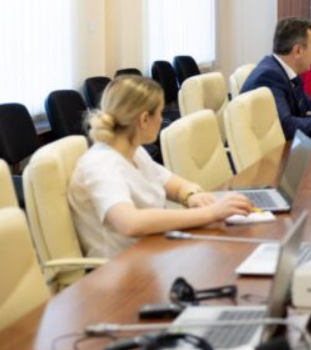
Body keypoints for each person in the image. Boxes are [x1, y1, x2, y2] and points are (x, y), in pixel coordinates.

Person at [68, 76, 253, 258]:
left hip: (154, 250)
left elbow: (176, 186)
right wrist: (209, 213)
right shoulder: (101, 165)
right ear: (144, 120)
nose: (161, 118)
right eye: (159, 113)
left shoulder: (133, 150)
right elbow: (130, 223)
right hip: (124, 267)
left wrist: (192, 195)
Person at [241, 17, 311, 139]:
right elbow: (284, 125)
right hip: (263, 150)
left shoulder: (287, 70)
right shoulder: (269, 76)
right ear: (298, 50)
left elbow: (306, 101)